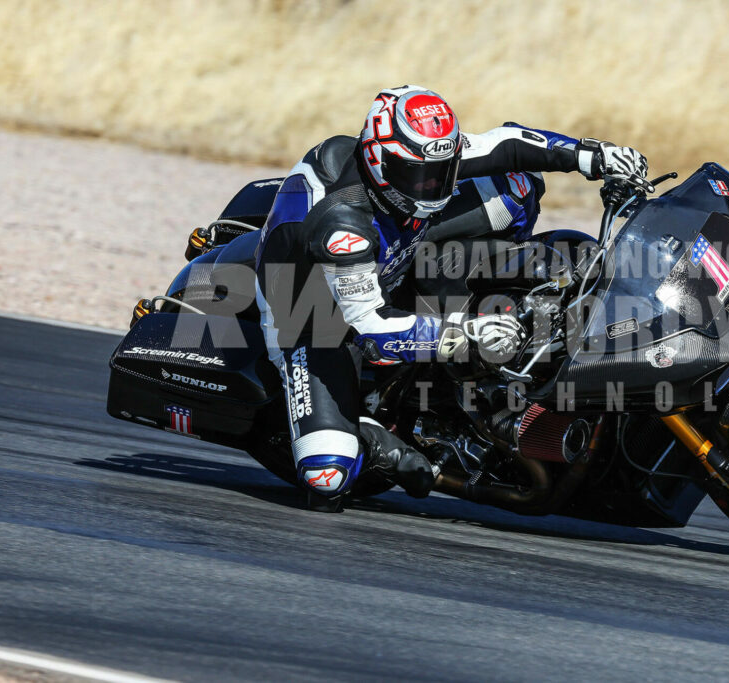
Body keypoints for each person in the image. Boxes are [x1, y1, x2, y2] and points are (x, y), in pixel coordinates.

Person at [255, 85, 651, 510]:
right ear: (378, 159)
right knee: (327, 476)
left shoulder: (415, 160)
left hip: (393, 253)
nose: (432, 186)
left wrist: (593, 156)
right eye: (419, 175)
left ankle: (494, 295)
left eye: (442, 171)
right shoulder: (343, 228)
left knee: (516, 185)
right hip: (316, 319)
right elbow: (370, 330)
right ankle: (370, 433)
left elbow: (507, 143)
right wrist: (466, 335)